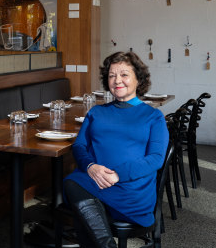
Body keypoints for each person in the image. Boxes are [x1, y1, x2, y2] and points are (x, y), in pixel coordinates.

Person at [63, 51, 169, 248]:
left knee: (82, 208)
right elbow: (79, 146)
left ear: (139, 79)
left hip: (131, 189)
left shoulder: (153, 116)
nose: (117, 80)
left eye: (124, 74)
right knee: (72, 183)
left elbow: (155, 159)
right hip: (95, 181)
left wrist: (118, 175)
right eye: (112, 75)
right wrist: (91, 167)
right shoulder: (96, 112)